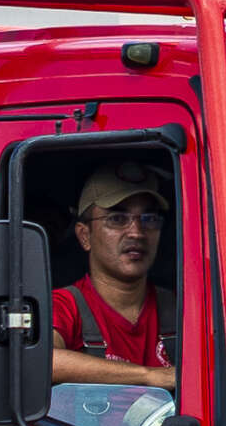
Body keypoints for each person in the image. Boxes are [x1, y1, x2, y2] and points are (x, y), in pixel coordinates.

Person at [51, 164, 178, 391]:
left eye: (149, 219)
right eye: (118, 219)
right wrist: (150, 376)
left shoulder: (183, 308)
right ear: (84, 235)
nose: (137, 232)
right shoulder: (63, 306)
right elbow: (43, 362)